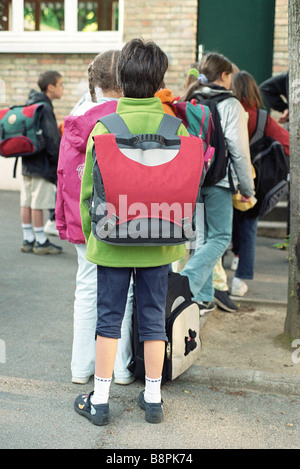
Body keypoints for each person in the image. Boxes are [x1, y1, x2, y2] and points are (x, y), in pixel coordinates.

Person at [74, 38, 189, 426]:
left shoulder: (104, 127)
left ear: (121, 79)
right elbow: (186, 190)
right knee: (154, 319)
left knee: (108, 320)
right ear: (160, 80)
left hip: (112, 240)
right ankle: (153, 398)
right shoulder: (178, 128)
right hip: (160, 242)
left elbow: (88, 192)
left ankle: (101, 399)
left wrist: (95, 237)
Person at [55, 50, 136, 386]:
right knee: (125, 289)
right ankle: (120, 367)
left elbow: (62, 173)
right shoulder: (126, 116)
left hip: (81, 215)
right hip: (120, 215)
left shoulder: (77, 114)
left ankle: (80, 368)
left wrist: (65, 219)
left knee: (86, 288)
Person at [179, 53, 255, 314]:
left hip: (191, 180)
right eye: (231, 76)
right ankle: (185, 283)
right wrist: (248, 188)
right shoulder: (230, 104)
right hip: (218, 180)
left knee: (201, 238)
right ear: (223, 76)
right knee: (220, 237)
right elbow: (239, 150)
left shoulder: (190, 98)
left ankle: (202, 298)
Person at [229, 70, 289, 296]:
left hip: (226, 181)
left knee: (223, 230)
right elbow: (287, 144)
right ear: (254, 90)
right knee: (249, 228)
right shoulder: (262, 118)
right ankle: (241, 279)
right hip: (252, 185)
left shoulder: (226, 113)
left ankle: (221, 273)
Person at [20, 70, 64, 255]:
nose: (63, 89)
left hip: (27, 162)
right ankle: (41, 241)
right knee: (38, 202)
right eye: (61, 85)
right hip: (43, 165)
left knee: (26, 201)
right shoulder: (45, 108)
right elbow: (53, 140)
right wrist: (57, 162)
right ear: (50, 87)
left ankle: (28, 238)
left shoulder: (31, 103)